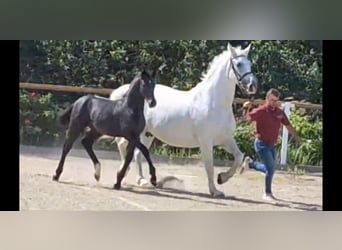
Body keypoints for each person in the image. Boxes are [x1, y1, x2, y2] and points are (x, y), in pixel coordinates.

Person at [240, 88, 302, 201]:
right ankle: (267, 193)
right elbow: (246, 118)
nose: (274, 102)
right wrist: (245, 108)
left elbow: (288, 125)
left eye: (276, 100)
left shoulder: (279, 112)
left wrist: (297, 139)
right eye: (272, 100)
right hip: (261, 144)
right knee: (271, 168)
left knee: (270, 169)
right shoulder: (261, 111)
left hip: (271, 144)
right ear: (267, 99)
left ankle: (251, 164)